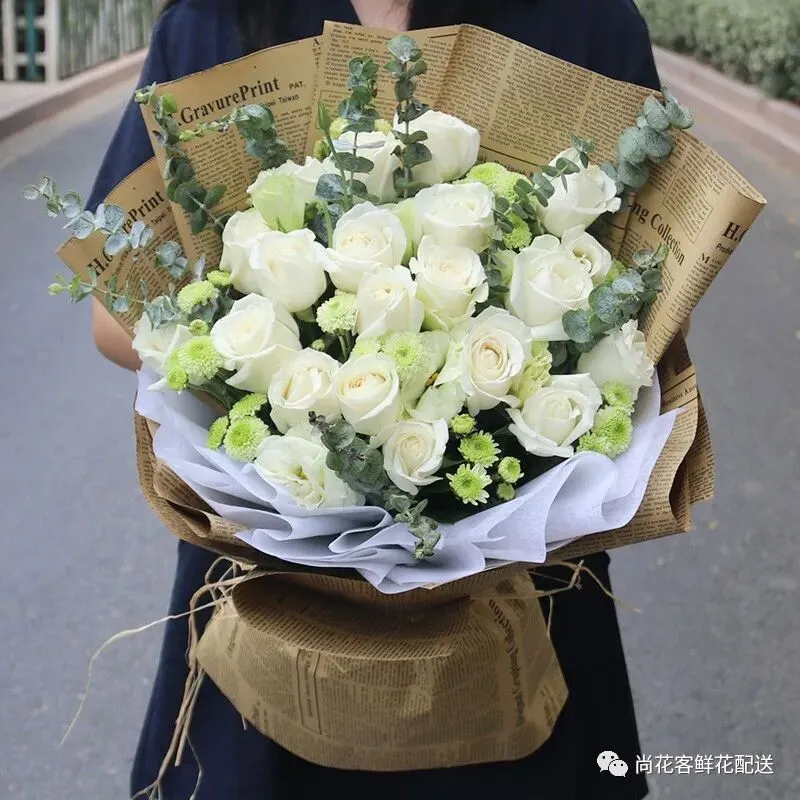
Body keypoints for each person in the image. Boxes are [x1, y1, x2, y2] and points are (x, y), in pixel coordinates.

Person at [88, 1, 660, 797]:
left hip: (518, 593)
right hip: (275, 579)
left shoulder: (587, 23)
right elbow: (114, 318)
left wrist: (489, 363)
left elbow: (651, 320)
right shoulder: (213, 23)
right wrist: (278, 342)